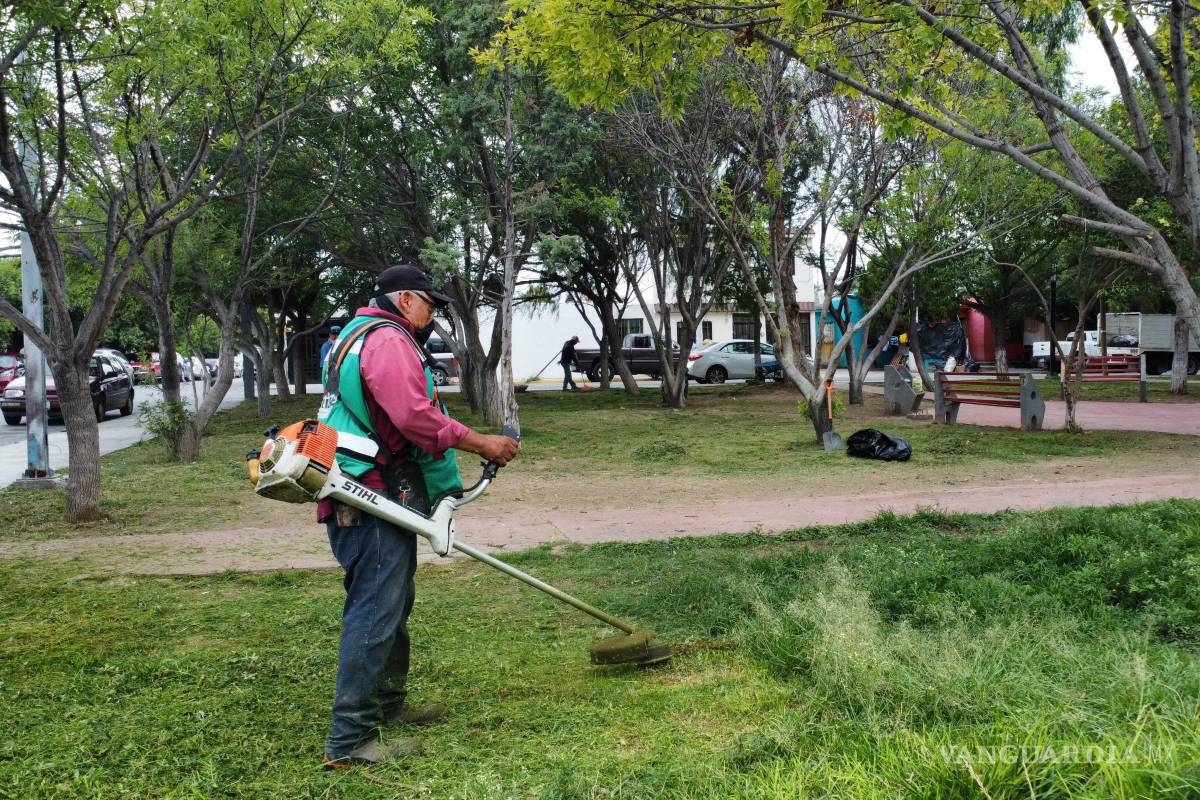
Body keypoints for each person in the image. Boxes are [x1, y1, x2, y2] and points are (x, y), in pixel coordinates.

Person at [315, 264, 519, 768]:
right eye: (429, 304)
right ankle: (350, 740)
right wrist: (483, 442)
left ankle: (387, 705)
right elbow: (414, 417)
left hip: (366, 491)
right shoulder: (387, 339)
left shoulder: (353, 336)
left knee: (391, 603)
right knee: (375, 610)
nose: (432, 316)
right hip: (369, 496)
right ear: (405, 299)